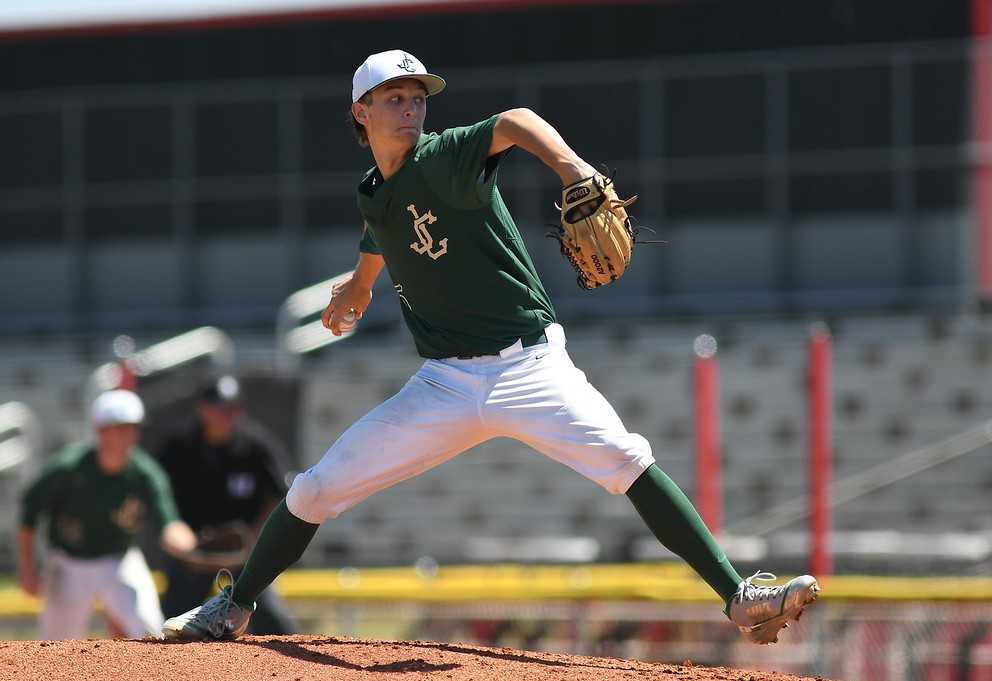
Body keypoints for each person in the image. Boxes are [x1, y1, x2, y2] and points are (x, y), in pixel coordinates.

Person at [164, 49, 819, 645]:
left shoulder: (445, 156)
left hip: (529, 365)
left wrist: (572, 167)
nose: (411, 106)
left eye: (418, 95)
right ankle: (234, 605)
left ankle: (737, 593)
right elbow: (381, 229)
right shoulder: (373, 189)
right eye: (394, 97)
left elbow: (515, 118)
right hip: (443, 384)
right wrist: (358, 288)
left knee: (627, 458)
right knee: (314, 488)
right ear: (360, 113)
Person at [17, 390, 197, 640]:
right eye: (120, 427)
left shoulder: (145, 473)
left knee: (151, 631)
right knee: (55, 645)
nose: (129, 435)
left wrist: (191, 547)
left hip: (119, 560)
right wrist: (28, 568)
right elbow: (28, 515)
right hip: (69, 563)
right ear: (101, 430)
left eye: (133, 427)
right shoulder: (68, 468)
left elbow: (170, 524)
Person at [154, 375, 296, 635]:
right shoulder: (178, 447)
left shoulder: (255, 446)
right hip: (194, 553)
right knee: (171, 625)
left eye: (234, 408)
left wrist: (257, 536)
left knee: (275, 625)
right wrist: (174, 528)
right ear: (203, 409)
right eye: (221, 408)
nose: (228, 415)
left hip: (241, 555)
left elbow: (282, 493)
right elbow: (157, 494)